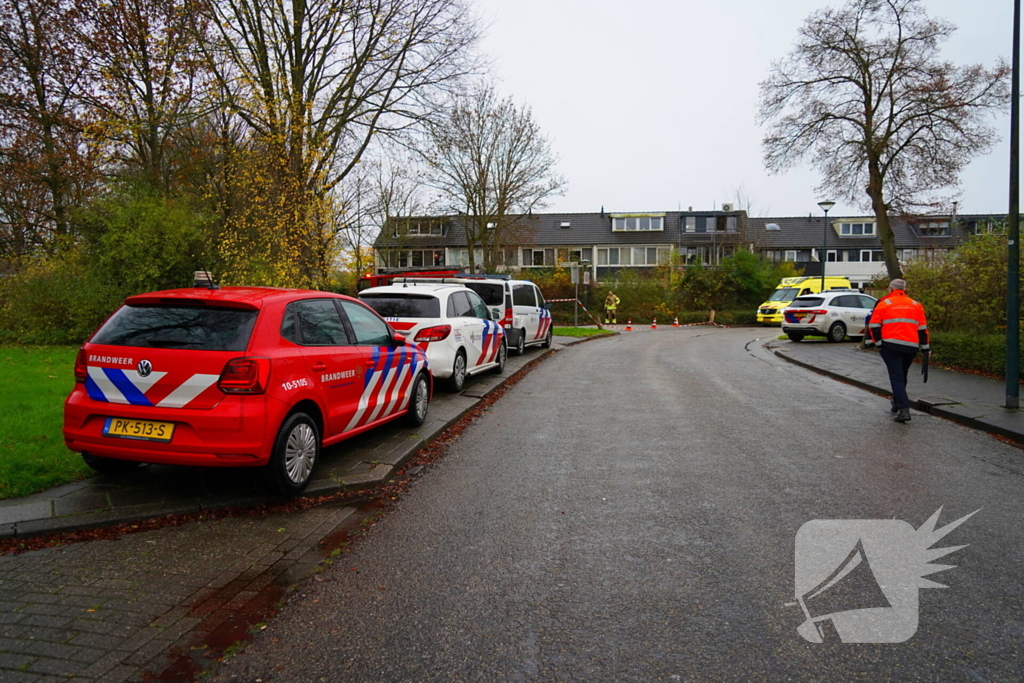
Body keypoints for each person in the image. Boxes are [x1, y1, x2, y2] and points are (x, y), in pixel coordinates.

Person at [867, 278, 929, 423]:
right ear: (904, 290)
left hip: (891, 346)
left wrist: (879, 344)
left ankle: (904, 409)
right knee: (902, 376)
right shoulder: (916, 305)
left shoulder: (884, 304)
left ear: (891, 289)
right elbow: (923, 329)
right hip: (911, 347)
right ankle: (896, 402)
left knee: (896, 378)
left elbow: (874, 326)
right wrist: (926, 348)